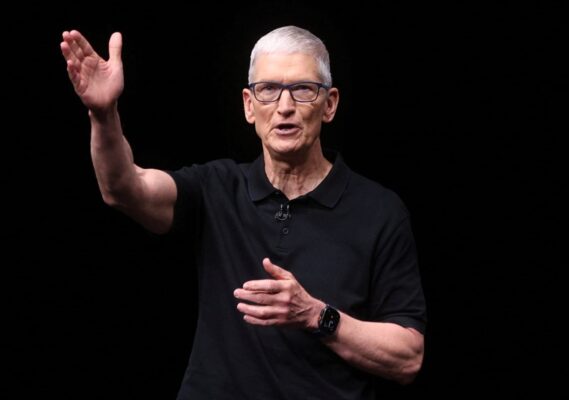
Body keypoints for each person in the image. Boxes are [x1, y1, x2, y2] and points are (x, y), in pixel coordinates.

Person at [60, 25, 426, 399]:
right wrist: (103, 114)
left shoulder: (379, 211)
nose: (285, 106)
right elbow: (123, 188)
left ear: (329, 104)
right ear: (249, 105)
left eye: (303, 89)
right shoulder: (216, 188)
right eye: (268, 89)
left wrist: (315, 315)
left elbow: (408, 357)